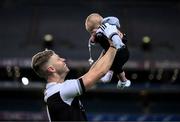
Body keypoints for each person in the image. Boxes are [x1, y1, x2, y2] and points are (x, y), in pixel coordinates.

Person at [31, 24, 121, 121]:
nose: (63, 59)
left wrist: (105, 50)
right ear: (51, 69)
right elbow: (100, 72)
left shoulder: (56, 91)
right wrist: (114, 43)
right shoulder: (61, 91)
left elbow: (91, 73)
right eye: (58, 59)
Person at [85, 13, 131, 89]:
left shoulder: (106, 28)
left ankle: (123, 80)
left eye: (92, 32)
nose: (92, 34)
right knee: (111, 64)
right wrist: (93, 39)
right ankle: (111, 73)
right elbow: (97, 39)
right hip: (114, 50)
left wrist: (118, 43)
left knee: (116, 68)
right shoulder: (100, 31)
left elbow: (114, 35)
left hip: (120, 52)